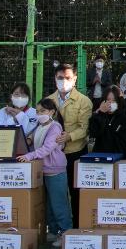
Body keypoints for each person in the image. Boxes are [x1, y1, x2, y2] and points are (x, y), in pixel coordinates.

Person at [19, 98, 72, 245]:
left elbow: (47, 148)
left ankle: (65, 232)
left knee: (58, 203)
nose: (39, 114)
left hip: (55, 171)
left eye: (43, 111)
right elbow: (29, 140)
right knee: (48, 205)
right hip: (42, 171)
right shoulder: (37, 126)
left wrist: (28, 156)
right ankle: (54, 232)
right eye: (37, 111)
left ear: (52, 112)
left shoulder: (55, 127)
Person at [47, 63, 92, 219]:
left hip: (75, 152)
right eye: (60, 78)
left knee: (76, 191)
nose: (63, 81)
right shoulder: (48, 101)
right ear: (55, 79)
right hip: (52, 154)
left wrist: (69, 136)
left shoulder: (84, 101)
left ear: (74, 80)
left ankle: (77, 227)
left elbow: (84, 128)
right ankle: (57, 228)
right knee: (55, 193)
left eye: (67, 78)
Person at [90, 85, 126, 155]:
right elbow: (94, 133)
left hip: (117, 157)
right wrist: (101, 114)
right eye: (108, 100)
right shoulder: (97, 115)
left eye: (114, 101)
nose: (110, 103)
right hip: (100, 157)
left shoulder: (124, 118)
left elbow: (124, 141)